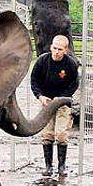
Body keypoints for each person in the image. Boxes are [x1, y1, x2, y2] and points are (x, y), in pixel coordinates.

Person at [30, 35, 79, 177]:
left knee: (61, 134)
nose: (56, 52)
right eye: (54, 48)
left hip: (63, 102)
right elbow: (34, 80)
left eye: (60, 49)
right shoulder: (42, 61)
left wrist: (62, 97)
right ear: (51, 47)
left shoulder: (70, 64)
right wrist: (40, 96)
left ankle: (61, 166)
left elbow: (74, 84)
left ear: (66, 50)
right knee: (46, 134)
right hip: (46, 103)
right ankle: (48, 166)